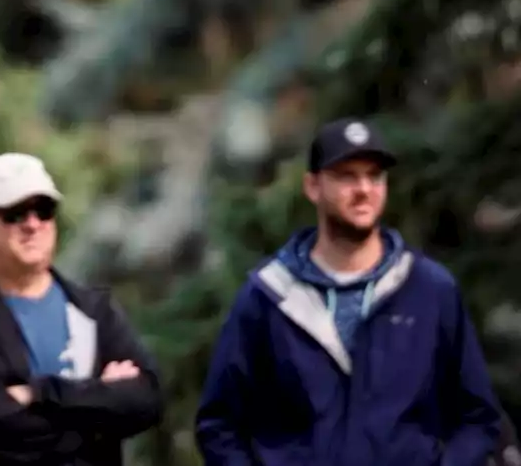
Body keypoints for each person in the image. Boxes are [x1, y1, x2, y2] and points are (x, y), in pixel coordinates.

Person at [195, 117, 503, 466]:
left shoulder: (430, 290)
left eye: (374, 176)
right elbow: (218, 425)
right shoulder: (268, 296)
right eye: (347, 176)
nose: (364, 189)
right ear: (312, 187)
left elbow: (479, 417)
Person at [0, 153, 163, 465]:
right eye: (15, 212)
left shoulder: (95, 311)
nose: (32, 224)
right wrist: (99, 403)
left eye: (43, 210)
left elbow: (148, 400)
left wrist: (39, 394)